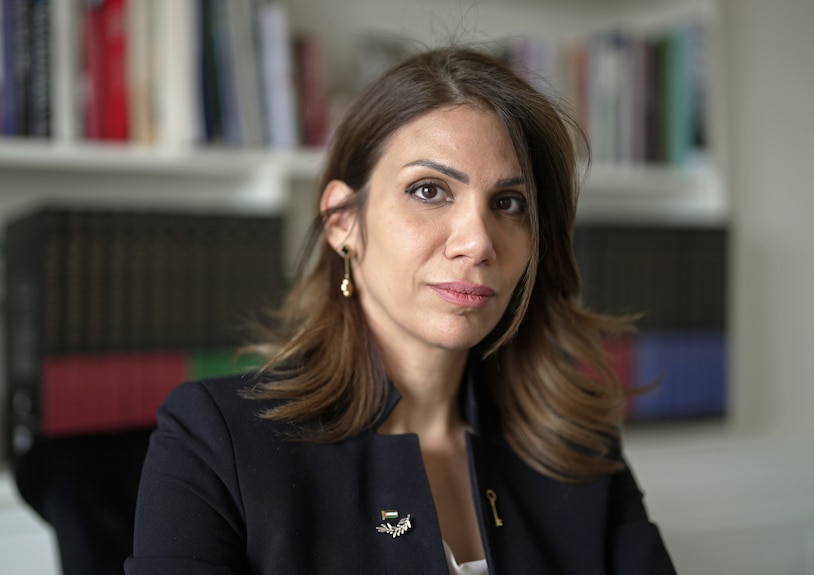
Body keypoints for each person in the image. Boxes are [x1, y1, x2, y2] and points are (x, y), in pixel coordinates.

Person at [125, 46, 676, 575]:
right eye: (430, 191)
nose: (478, 242)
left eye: (508, 203)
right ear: (344, 222)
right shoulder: (214, 438)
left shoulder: (580, 446)